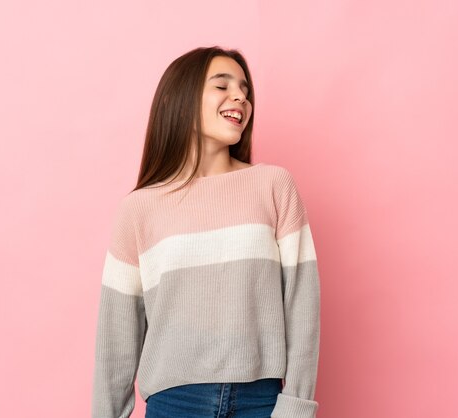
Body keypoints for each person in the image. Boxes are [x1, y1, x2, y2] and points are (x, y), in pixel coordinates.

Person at [91, 46, 321, 418]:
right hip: (173, 405)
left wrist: (296, 405)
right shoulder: (139, 209)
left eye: (245, 90)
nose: (240, 97)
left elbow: (302, 305)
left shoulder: (273, 186)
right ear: (182, 99)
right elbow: (116, 339)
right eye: (222, 85)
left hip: (261, 403)